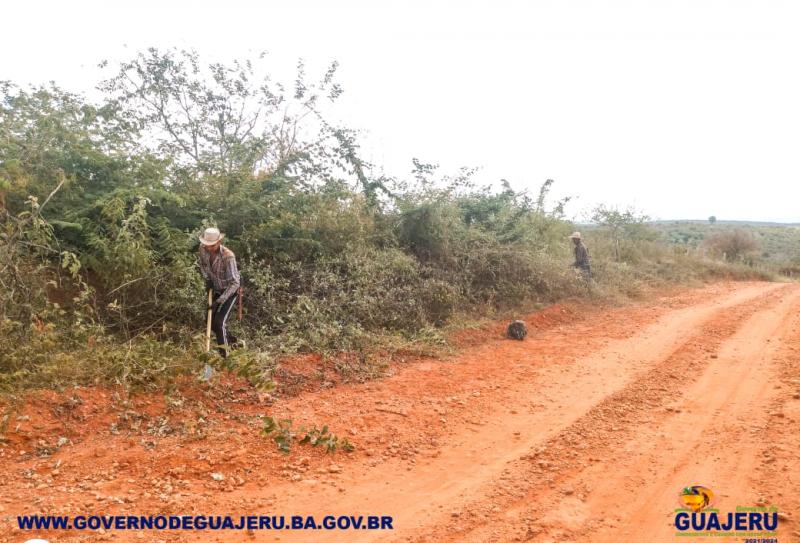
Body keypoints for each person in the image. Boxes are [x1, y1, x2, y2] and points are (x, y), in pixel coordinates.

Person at [198, 227, 241, 358]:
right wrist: (207, 278)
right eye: (207, 245)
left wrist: (220, 301)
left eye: (212, 245)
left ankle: (225, 357)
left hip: (230, 291)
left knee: (219, 322)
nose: (209, 248)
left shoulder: (228, 257)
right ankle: (234, 343)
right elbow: (202, 265)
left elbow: (235, 283)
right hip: (215, 289)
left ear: (219, 242)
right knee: (209, 322)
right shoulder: (202, 249)